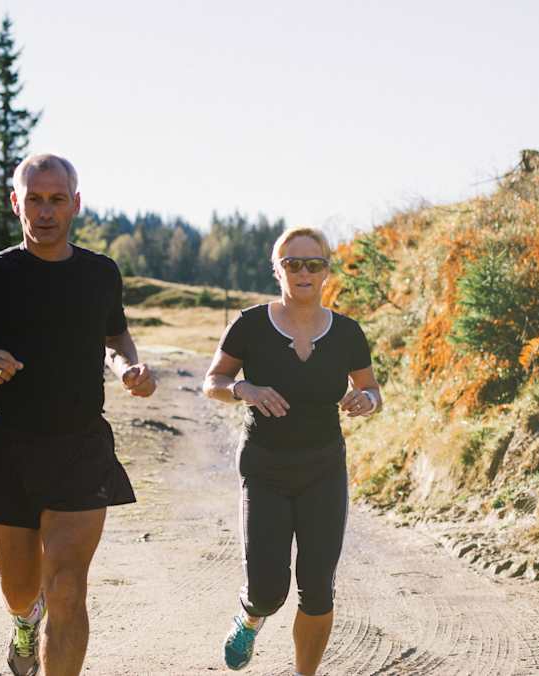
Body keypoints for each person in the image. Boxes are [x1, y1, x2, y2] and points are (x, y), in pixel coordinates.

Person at [0, 153, 157, 676]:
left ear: (76, 204)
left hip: (80, 445)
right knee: (20, 588)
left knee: (69, 586)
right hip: (10, 445)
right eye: (35, 199)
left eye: (57, 199)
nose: (46, 211)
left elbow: (115, 333)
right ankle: (25, 622)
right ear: (16, 203)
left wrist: (127, 366)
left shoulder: (101, 273)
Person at [201, 227, 381, 674]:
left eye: (313, 264)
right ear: (276, 269)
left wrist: (367, 401)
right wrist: (245, 389)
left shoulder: (346, 333)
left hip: (323, 467)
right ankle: (249, 616)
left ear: (326, 272)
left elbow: (371, 388)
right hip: (264, 469)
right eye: (292, 264)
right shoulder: (250, 325)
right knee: (267, 589)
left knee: (318, 588)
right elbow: (213, 383)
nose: (303, 272)